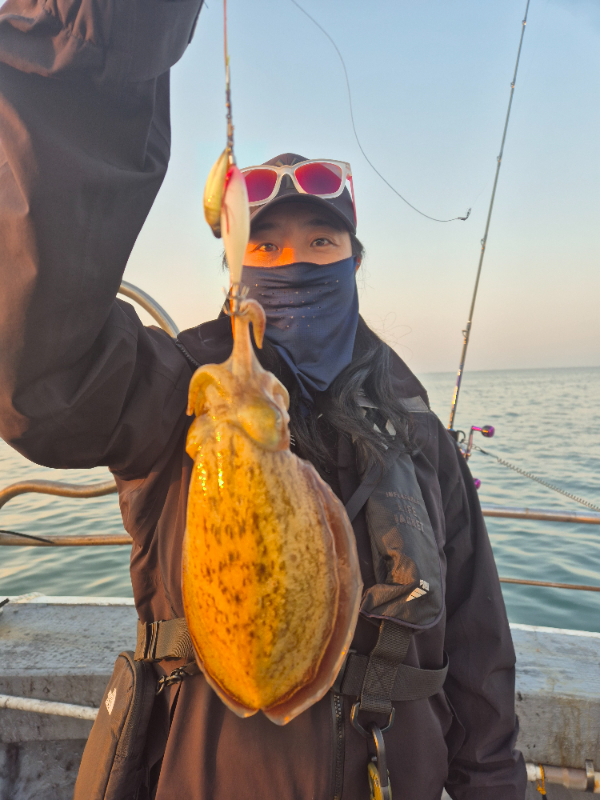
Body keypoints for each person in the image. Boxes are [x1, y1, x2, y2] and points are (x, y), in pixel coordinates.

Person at [0, 2, 526, 798]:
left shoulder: (416, 430)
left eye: (321, 242)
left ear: (353, 260)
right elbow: (37, 374)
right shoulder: (176, 388)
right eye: (267, 244)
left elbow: (480, 659)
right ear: (236, 262)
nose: (294, 262)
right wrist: (103, 34)